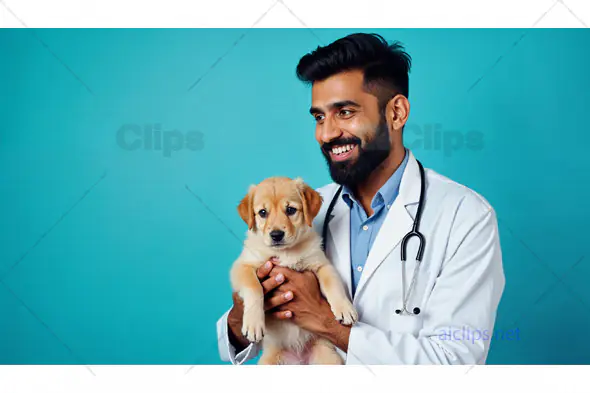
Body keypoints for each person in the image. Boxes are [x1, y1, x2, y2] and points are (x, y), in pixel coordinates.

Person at [216, 33, 505, 365]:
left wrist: (327, 322)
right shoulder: (310, 209)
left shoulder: (466, 216)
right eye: (319, 117)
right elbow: (241, 339)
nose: (326, 134)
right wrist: (242, 316)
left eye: (345, 112)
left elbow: (456, 361)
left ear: (396, 113)